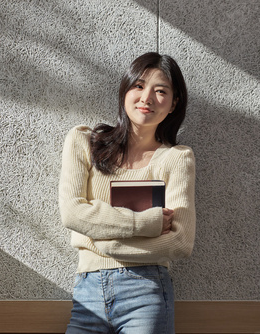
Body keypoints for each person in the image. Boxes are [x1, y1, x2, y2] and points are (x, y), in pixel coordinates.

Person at [59, 52, 196, 334]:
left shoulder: (177, 158)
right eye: (139, 86)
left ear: (173, 104)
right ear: (125, 89)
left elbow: (181, 242)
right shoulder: (84, 142)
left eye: (161, 91)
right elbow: (72, 213)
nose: (147, 98)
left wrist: (106, 242)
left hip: (147, 292)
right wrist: (148, 223)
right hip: (87, 292)